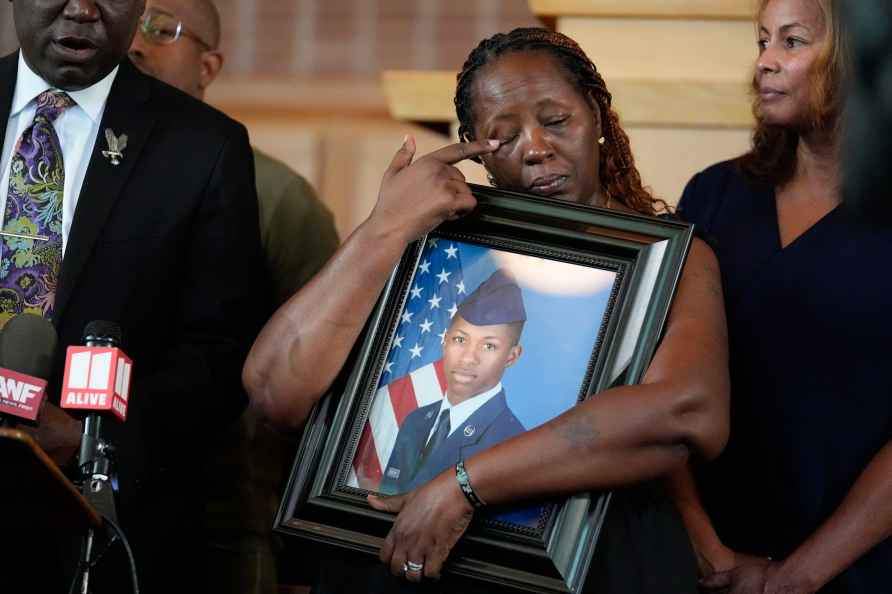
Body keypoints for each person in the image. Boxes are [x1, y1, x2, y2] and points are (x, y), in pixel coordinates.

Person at [244, 27, 729, 593]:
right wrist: (383, 227)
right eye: (503, 135)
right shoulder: (427, 240)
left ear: (596, 115)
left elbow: (690, 411)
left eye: (556, 121)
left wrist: (463, 485)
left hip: (590, 566)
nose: (535, 147)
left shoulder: (669, 257)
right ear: (473, 143)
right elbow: (275, 392)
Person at [0, 0, 267, 592]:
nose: (82, 9)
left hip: (95, 531)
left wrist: (94, 441)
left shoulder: (205, 147)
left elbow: (222, 355)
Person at [672, 1, 892, 593]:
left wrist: (796, 578)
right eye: (762, 40)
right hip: (707, 563)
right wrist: (705, 548)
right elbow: (658, 381)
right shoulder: (714, 194)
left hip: (856, 566)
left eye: (792, 42)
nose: (765, 62)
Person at [127, 2, 339, 591]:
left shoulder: (276, 196)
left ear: (208, 66)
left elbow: (325, 390)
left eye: (162, 29)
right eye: (130, 22)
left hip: (226, 518)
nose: (136, 44)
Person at [379, 268, 526, 495]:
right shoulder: (416, 420)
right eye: (460, 339)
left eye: (489, 346)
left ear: (511, 356)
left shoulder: (512, 445)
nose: (468, 358)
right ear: (445, 341)